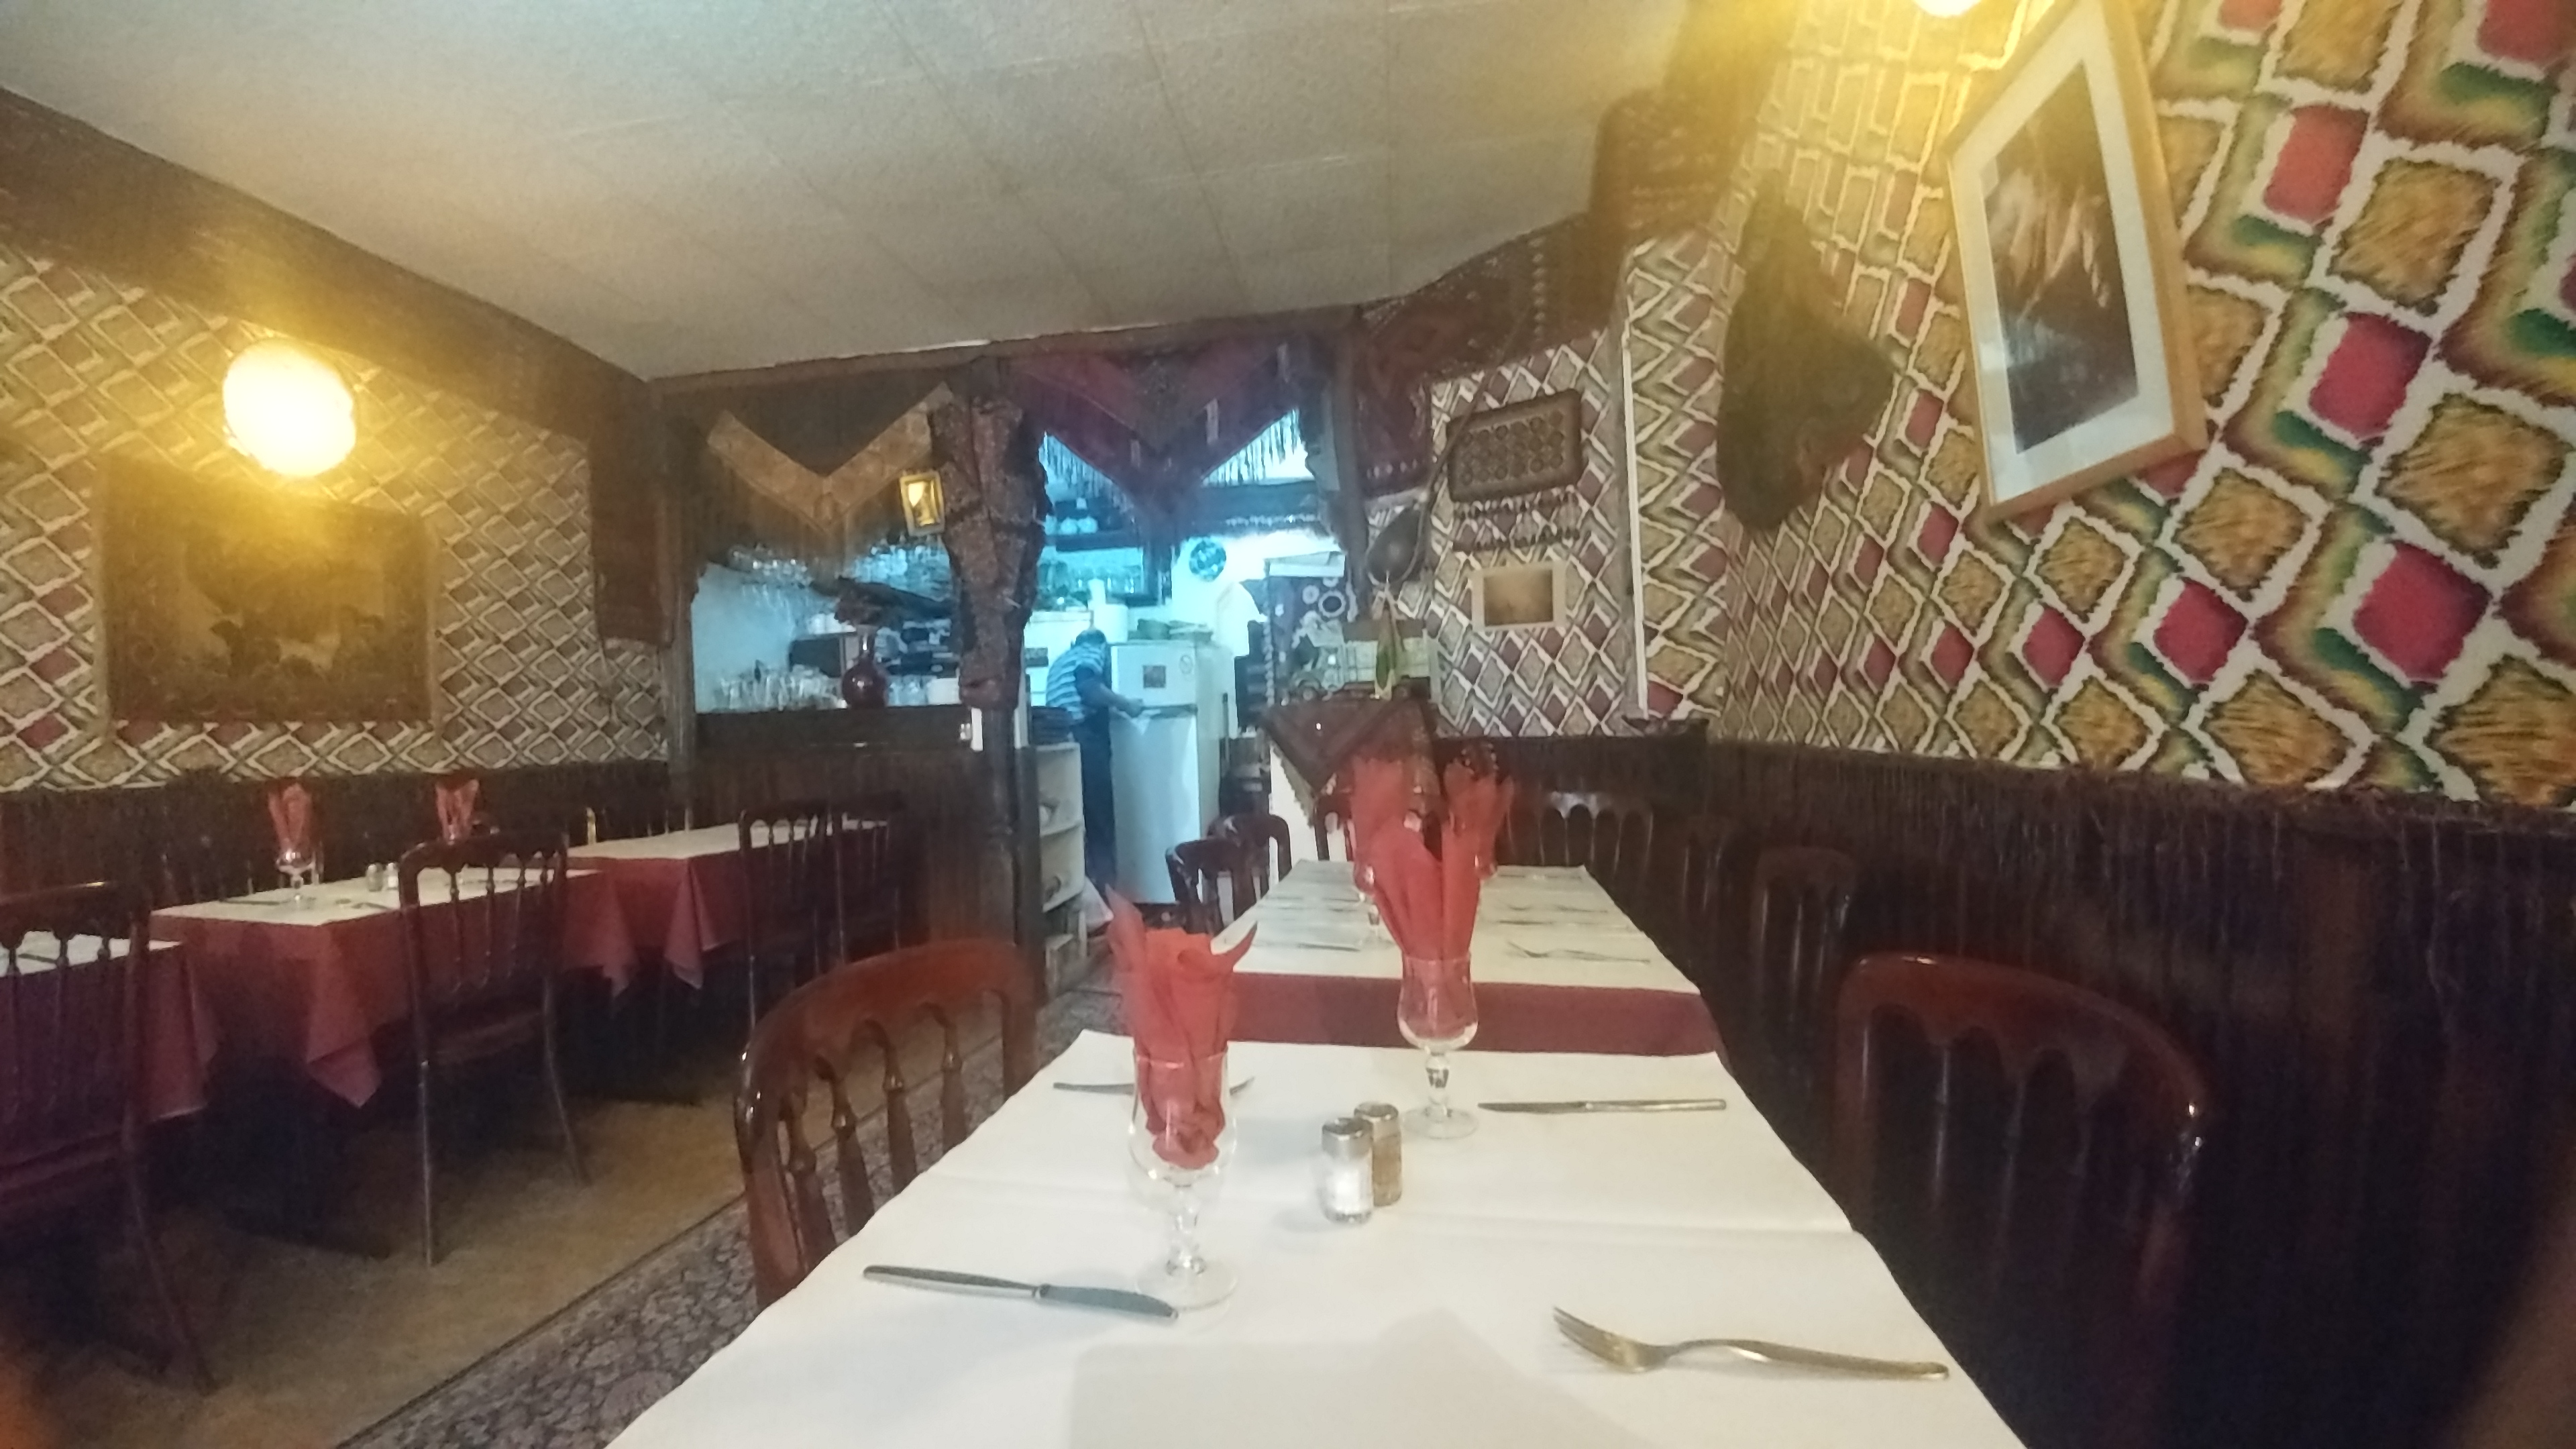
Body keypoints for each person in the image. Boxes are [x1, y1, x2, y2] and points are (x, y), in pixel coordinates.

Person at [1045, 629, 1143, 888]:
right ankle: (1110, 895)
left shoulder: (1060, 661)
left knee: (1078, 824)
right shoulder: (1094, 650)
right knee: (1100, 822)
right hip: (1085, 739)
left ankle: (1088, 893)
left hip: (1060, 745)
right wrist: (1126, 704)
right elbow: (1088, 688)